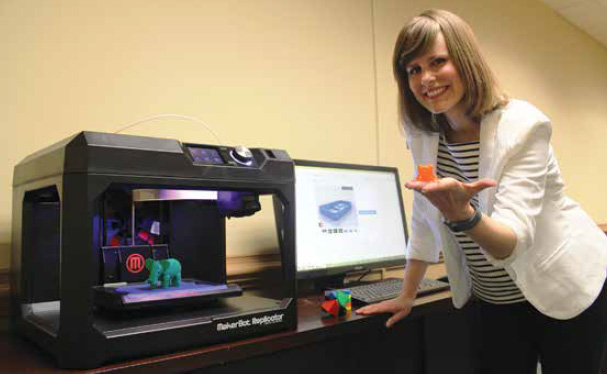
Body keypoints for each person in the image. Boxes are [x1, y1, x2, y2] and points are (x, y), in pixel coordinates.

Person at [356, 9, 607, 374]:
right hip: (494, 298)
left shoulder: (523, 126)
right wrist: (407, 293)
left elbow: (511, 241)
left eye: (437, 61)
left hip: (564, 286)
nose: (426, 78)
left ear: (465, 60)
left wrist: (464, 215)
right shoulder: (423, 136)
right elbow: (425, 215)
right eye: (413, 69)